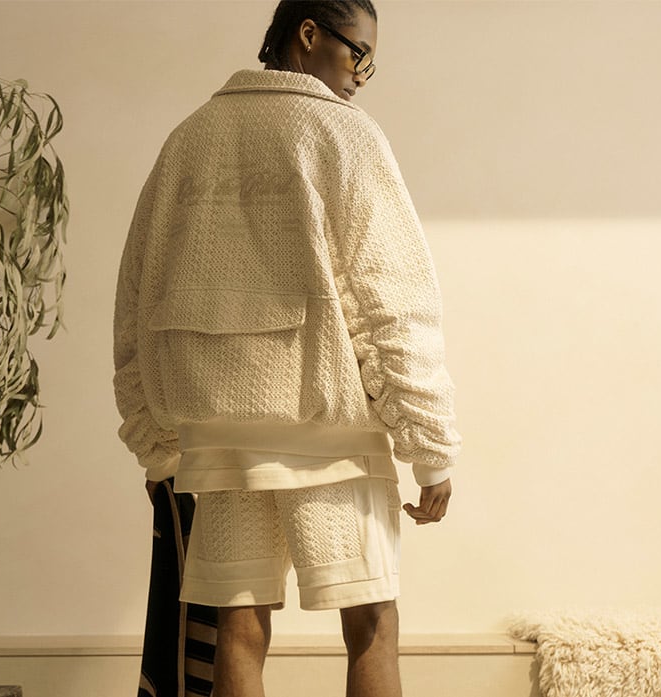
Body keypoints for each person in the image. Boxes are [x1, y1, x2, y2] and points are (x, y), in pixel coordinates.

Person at [112, 1, 459, 695]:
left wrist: (157, 441)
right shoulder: (345, 135)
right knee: (373, 624)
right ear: (307, 34)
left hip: (222, 440)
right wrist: (430, 447)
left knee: (239, 628)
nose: (363, 76)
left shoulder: (190, 137)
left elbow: (139, 300)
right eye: (359, 54)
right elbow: (391, 299)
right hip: (331, 433)